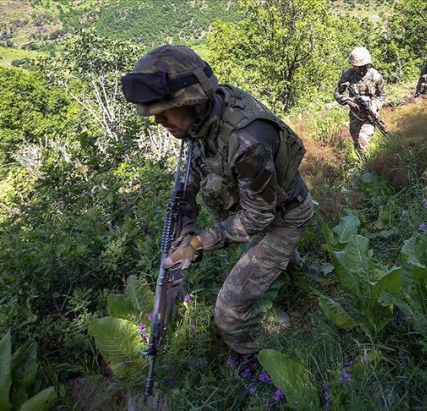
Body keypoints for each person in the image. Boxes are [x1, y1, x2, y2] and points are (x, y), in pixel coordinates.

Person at [121, 45, 315, 355]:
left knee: (229, 312)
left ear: (193, 101)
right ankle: (302, 273)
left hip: (284, 218)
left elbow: (257, 220)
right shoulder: (208, 113)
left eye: (164, 111)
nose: (158, 121)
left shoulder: (247, 142)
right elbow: (204, 162)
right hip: (262, 206)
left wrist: (197, 244)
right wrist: (185, 208)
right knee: (271, 257)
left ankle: (259, 356)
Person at [334, 47, 385, 153]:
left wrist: (375, 106)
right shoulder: (348, 75)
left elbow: (382, 95)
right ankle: (361, 165)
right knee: (356, 142)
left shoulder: (375, 76)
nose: (360, 69)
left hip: (369, 114)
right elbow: (337, 93)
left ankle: (368, 166)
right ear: (353, 65)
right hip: (355, 115)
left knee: (362, 140)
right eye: (357, 67)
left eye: (363, 66)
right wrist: (348, 101)